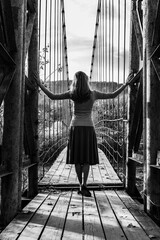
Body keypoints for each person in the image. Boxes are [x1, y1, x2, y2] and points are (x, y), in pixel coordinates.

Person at [34, 71, 133, 197]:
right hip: (88, 129)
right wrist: (125, 84)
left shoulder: (72, 94)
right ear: (86, 81)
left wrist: (40, 85)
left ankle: (79, 184)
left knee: (77, 159)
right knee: (86, 159)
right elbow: (113, 95)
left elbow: (53, 96)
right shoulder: (94, 94)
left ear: (75, 82)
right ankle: (83, 186)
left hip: (75, 128)